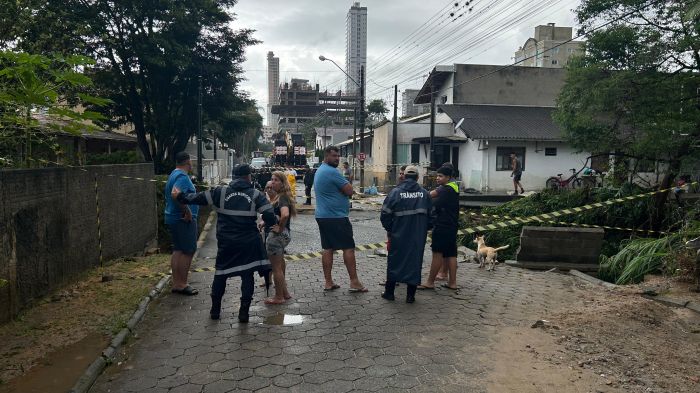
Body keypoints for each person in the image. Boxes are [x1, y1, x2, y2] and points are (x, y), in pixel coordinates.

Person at [172, 164, 277, 323]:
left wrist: (180, 196)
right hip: (248, 243)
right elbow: (269, 215)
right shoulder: (256, 194)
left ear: (233, 177)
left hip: (226, 243)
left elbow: (197, 198)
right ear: (248, 177)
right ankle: (243, 314)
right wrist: (270, 222)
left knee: (220, 275)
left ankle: (215, 311)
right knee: (247, 275)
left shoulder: (219, 192)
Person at [313, 145, 367, 292]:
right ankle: (354, 282)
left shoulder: (320, 170)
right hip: (336, 217)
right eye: (334, 156)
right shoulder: (332, 172)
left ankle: (328, 282)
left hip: (323, 216)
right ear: (326, 156)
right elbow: (349, 190)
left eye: (338, 156)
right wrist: (347, 190)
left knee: (328, 248)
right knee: (348, 248)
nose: (337, 159)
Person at [380, 166, 432, 303]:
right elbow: (433, 216)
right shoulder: (425, 194)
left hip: (398, 235)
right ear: (417, 177)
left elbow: (385, 214)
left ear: (404, 176)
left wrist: (391, 229)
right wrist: (424, 229)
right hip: (418, 237)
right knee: (414, 263)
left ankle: (389, 293)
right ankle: (410, 296)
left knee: (394, 261)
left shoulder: (395, 193)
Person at [419, 165, 460, 290]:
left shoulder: (445, 189)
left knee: (437, 253)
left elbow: (428, 195)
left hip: (443, 225)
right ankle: (452, 283)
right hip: (452, 225)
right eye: (437, 175)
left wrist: (414, 191)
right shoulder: (454, 187)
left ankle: (430, 282)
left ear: (448, 177)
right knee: (451, 254)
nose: (437, 178)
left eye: (440, 176)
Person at [164, 152, 199, 296]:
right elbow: (175, 194)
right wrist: (187, 211)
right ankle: (182, 284)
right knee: (188, 250)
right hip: (182, 219)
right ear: (188, 162)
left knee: (178, 249)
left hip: (173, 217)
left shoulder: (173, 174)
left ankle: (176, 282)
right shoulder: (182, 177)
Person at [264, 171, 297, 304]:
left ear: (283, 183)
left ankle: (278, 297)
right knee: (280, 263)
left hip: (276, 237)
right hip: (282, 236)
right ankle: (285, 292)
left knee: (276, 268)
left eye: (276, 180)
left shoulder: (282, 197)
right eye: (272, 179)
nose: (273, 182)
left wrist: (279, 228)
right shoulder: (280, 196)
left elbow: (284, 214)